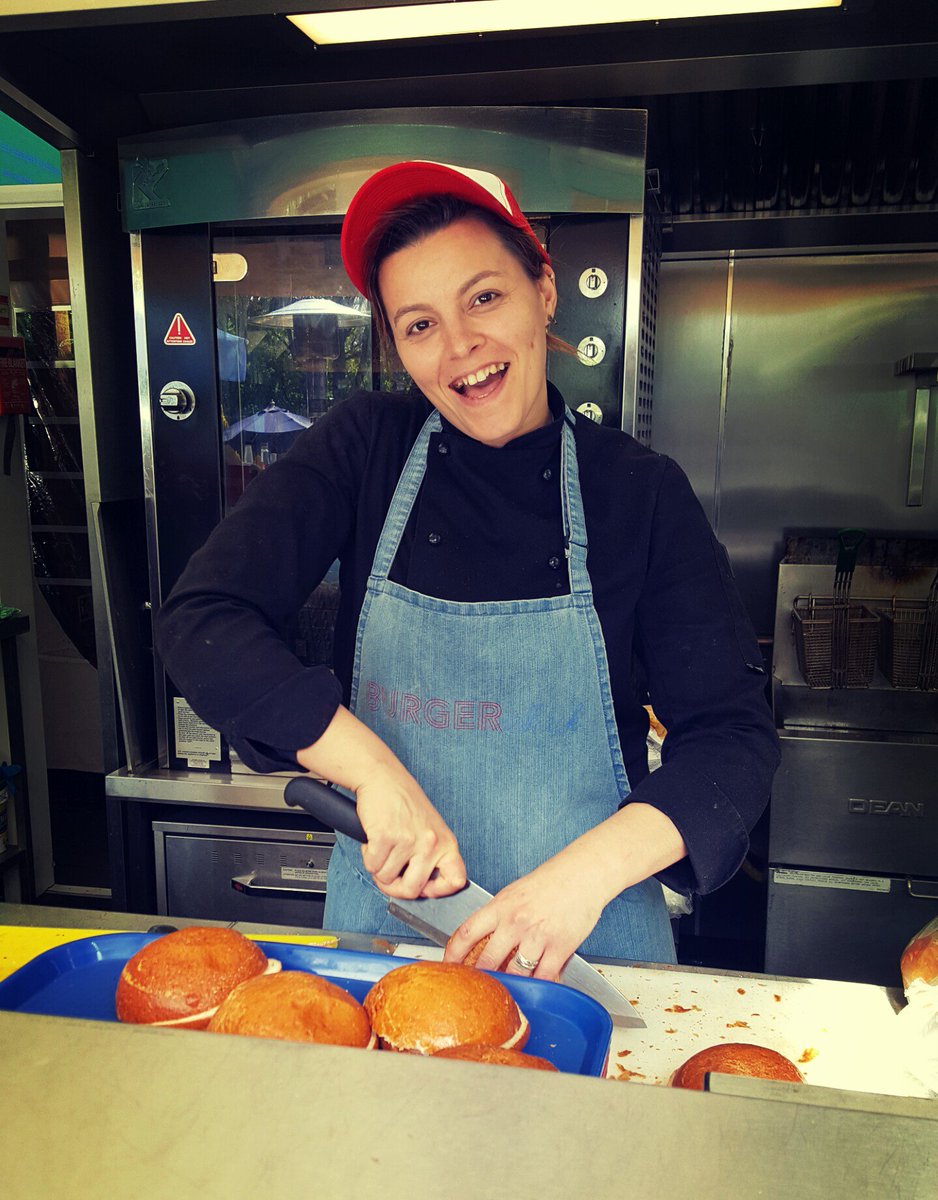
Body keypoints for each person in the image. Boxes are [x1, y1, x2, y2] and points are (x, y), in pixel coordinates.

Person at [156, 160, 779, 979]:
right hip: (392, 948)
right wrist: (371, 772)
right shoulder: (364, 449)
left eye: (484, 297)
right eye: (418, 324)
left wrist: (573, 884)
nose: (460, 349)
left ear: (544, 291)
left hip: (590, 949)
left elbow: (732, 741)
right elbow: (203, 619)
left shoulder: (638, 492)